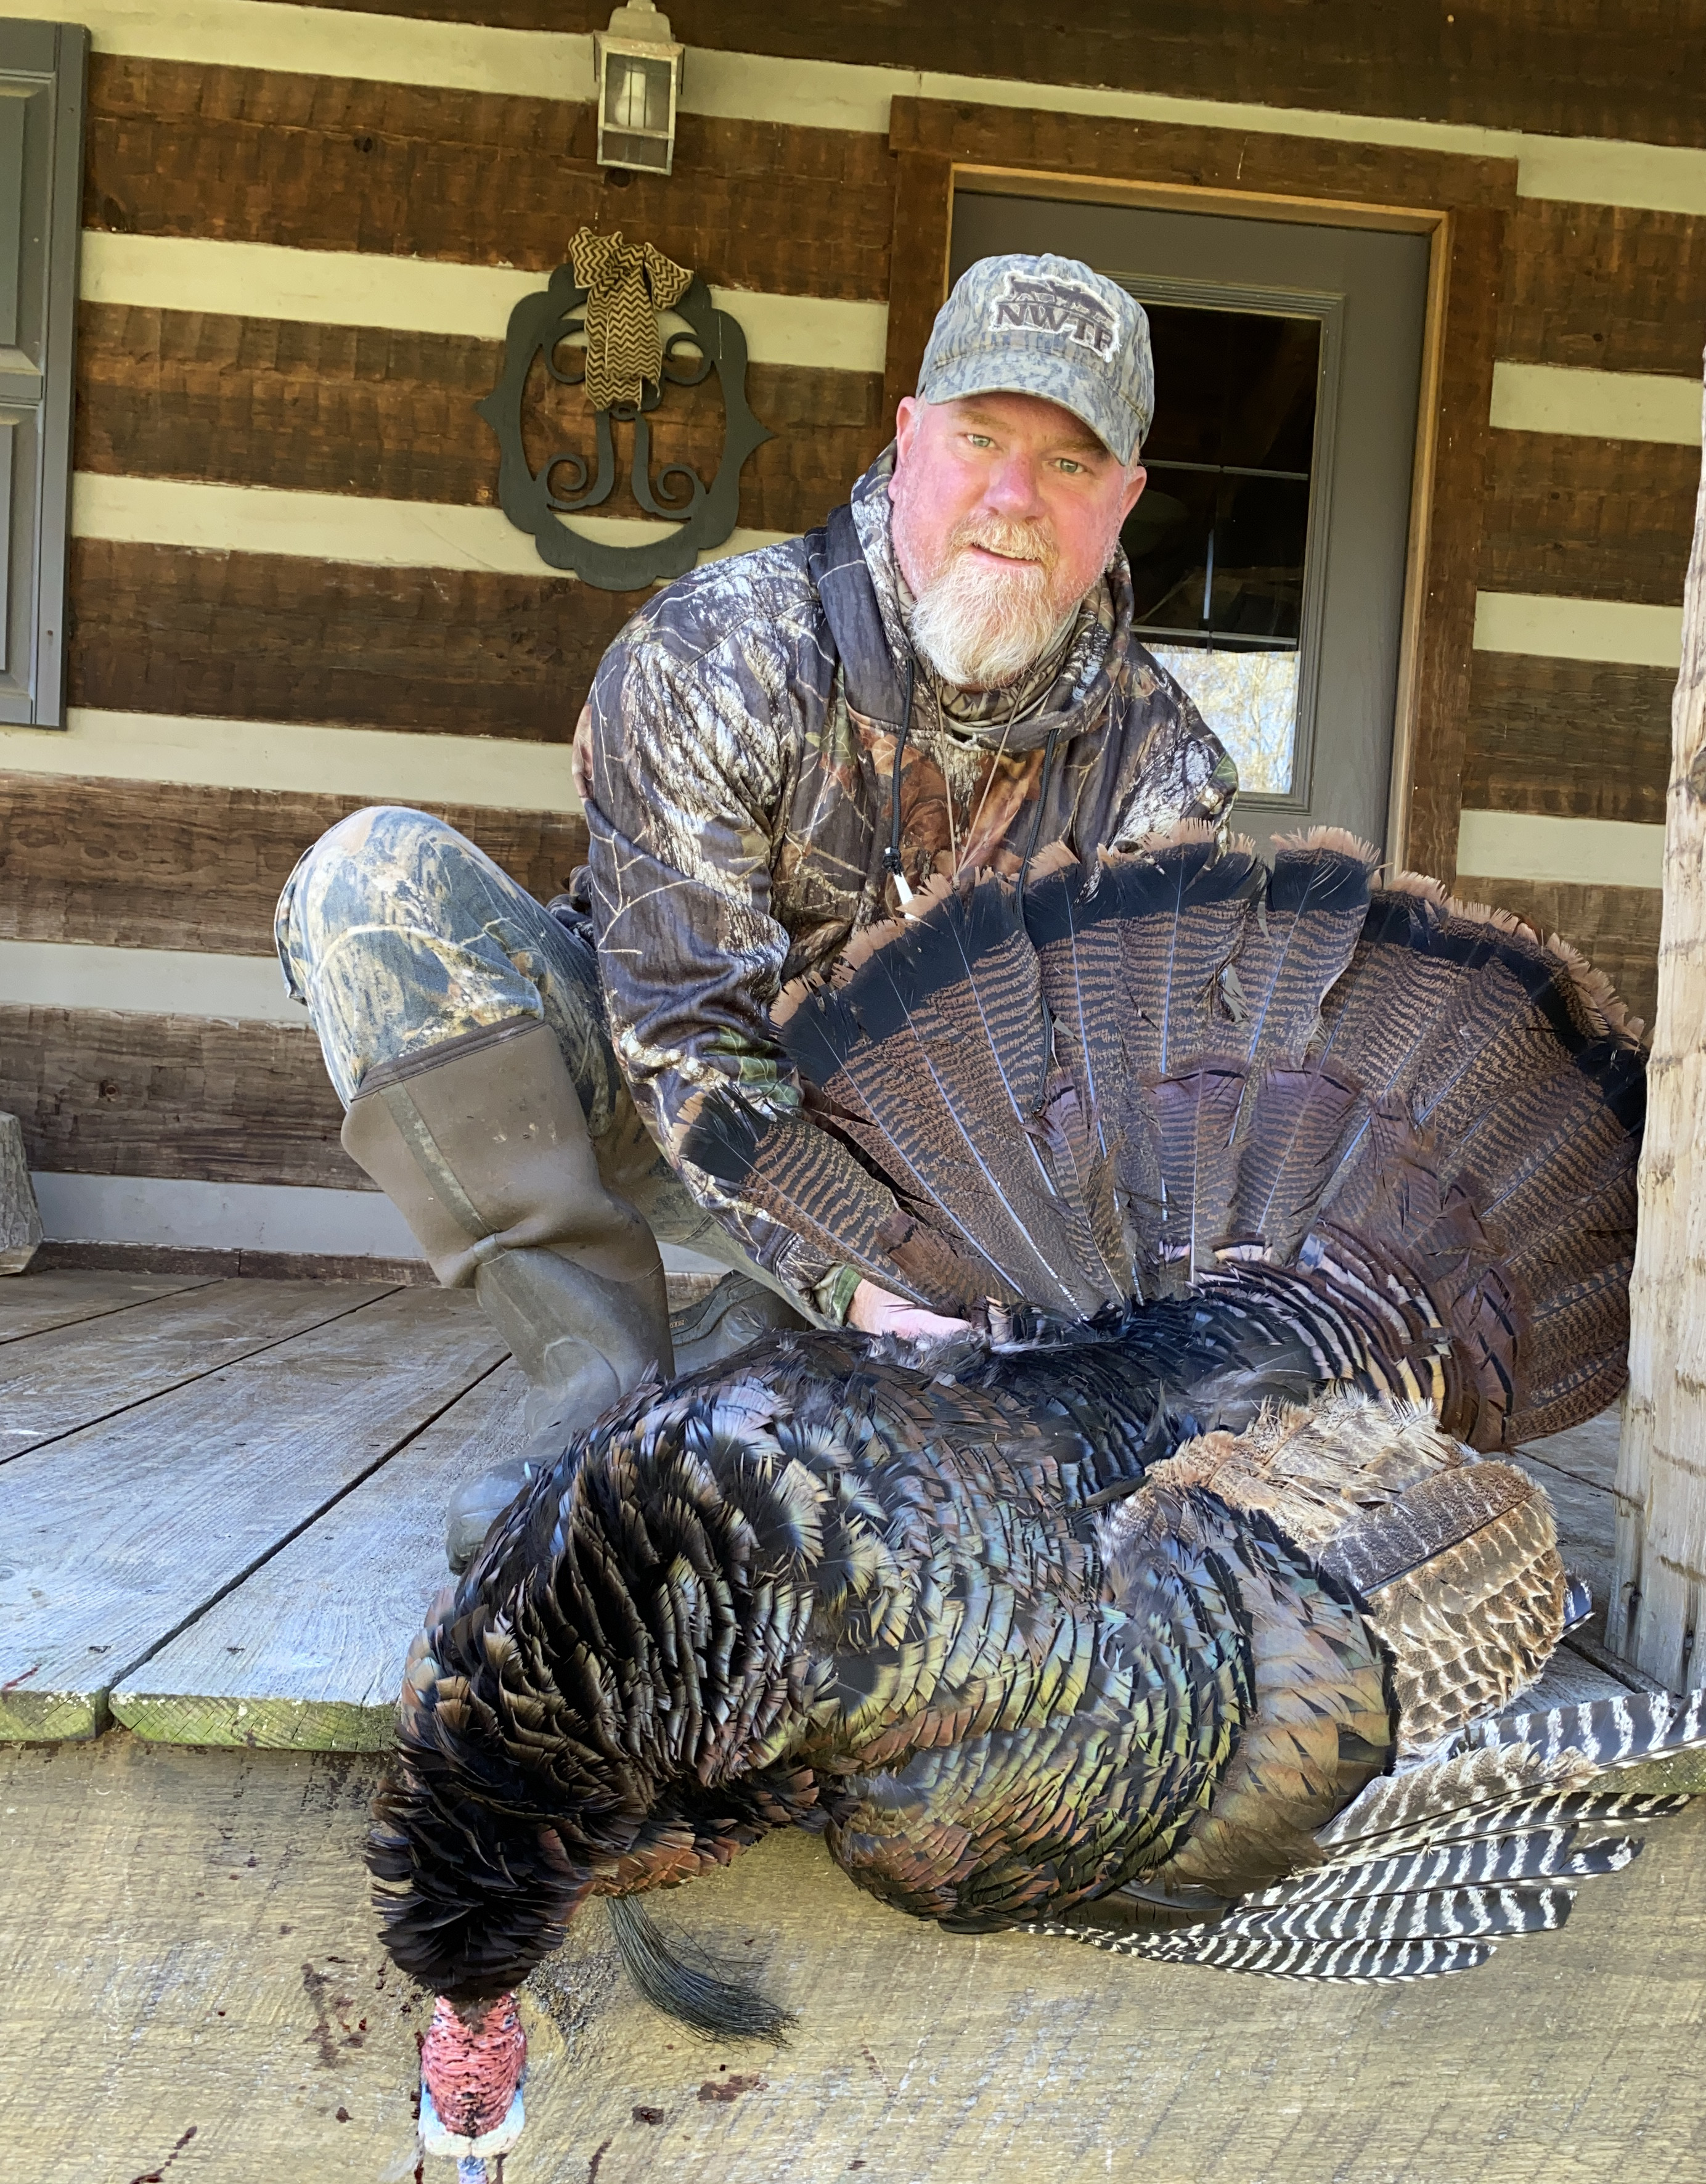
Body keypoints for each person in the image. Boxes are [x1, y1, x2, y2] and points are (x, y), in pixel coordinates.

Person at [277, 252, 1238, 1563]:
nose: (1015, 496)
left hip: (951, 1215)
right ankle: (594, 1396)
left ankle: (770, 1347)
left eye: (1071, 462)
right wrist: (855, 1274)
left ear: (1123, 500)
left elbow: (1123, 1114)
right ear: (909, 438)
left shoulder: (1165, 772)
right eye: (980, 438)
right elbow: (683, 1029)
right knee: (370, 884)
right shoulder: (719, 652)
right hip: (668, 1109)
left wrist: (945, 1288)